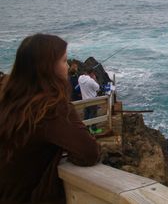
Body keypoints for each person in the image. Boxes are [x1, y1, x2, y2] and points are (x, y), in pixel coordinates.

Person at [0, 34, 100, 204]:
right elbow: (90, 153)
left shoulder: (9, 97)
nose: (68, 67)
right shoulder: (52, 108)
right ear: (47, 68)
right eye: (64, 61)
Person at [78, 67, 102, 134]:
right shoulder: (91, 81)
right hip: (92, 100)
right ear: (91, 73)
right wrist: (94, 79)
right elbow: (98, 88)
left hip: (84, 100)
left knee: (86, 115)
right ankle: (94, 129)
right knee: (93, 115)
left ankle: (86, 129)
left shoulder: (80, 78)